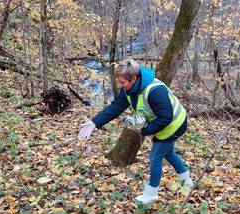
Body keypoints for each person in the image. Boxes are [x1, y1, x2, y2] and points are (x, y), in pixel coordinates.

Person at [78, 59, 193, 204]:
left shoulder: (155, 90)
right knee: (168, 153)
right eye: (118, 82)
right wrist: (94, 122)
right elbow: (115, 108)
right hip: (165, 122)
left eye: (122, 82)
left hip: (175, 123)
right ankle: (186, 181)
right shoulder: (128, 89)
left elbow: (166, 117)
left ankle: (151, 194)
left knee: (155, 157)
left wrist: (146, 130)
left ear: (134, 78)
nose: (120, 85)